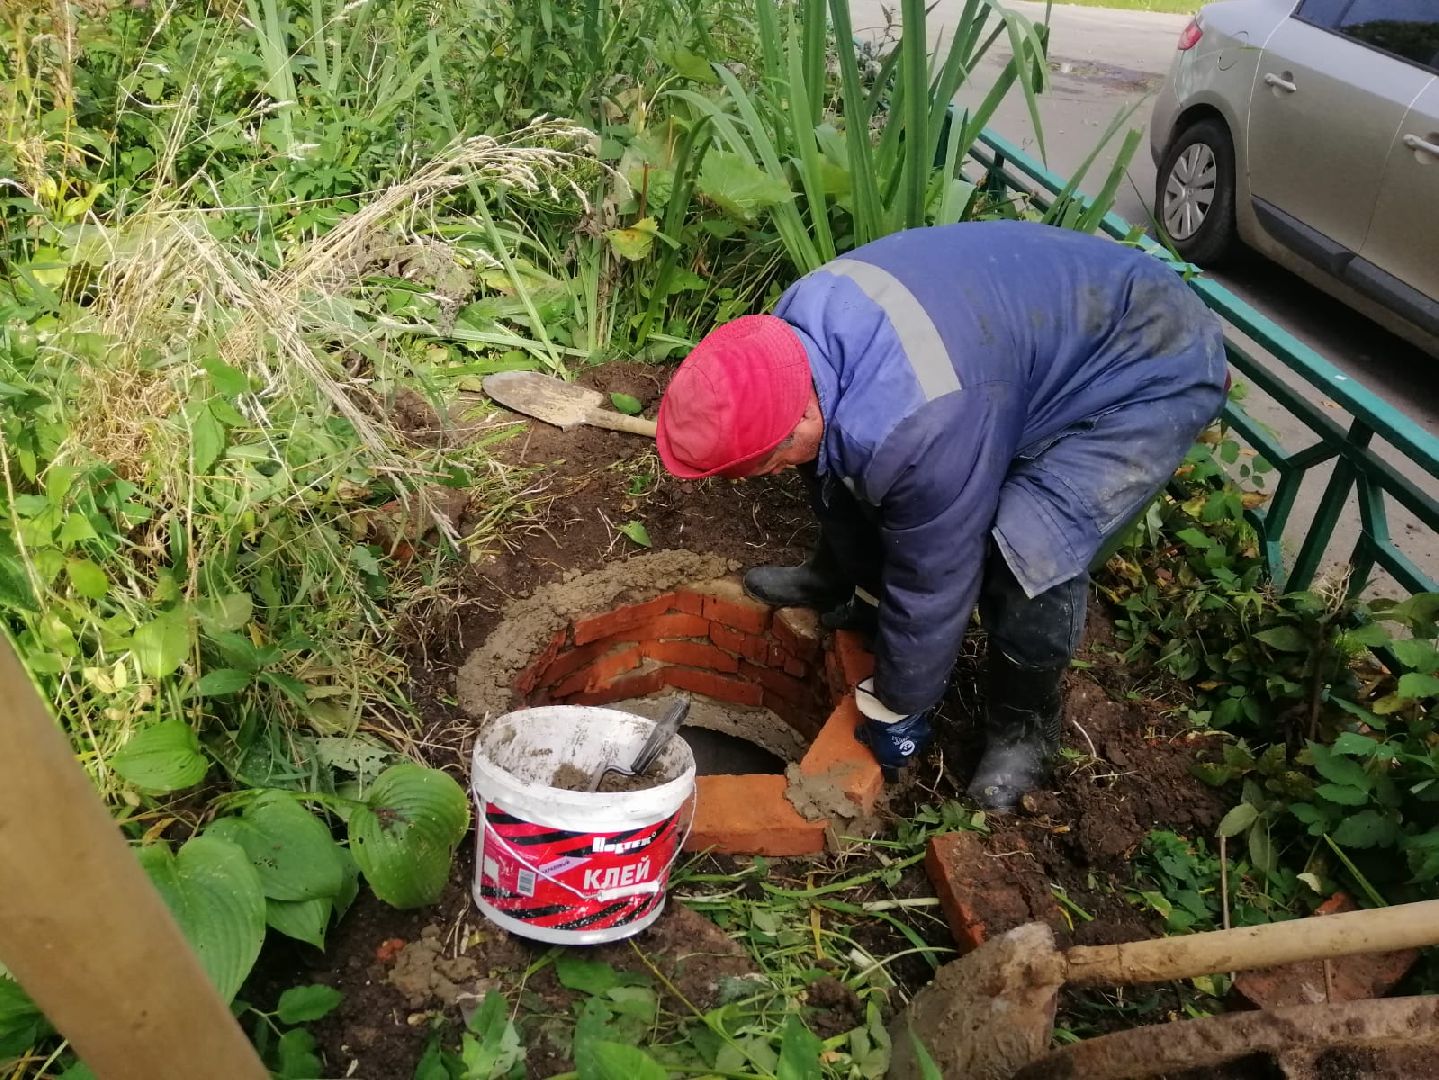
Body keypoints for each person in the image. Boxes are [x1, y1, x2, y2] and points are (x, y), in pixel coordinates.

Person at [654, 221, 1228, 810]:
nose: (768, 475)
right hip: (1022, 341)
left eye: (763, 465)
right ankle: (835, 579)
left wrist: (899, 701)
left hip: (1145, 361)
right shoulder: (787, 342)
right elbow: (833, 460)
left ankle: (1023, 730)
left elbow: (934, 578)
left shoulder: (921, 425)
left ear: (799, 417)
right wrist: (858, 575)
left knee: (1029, 545)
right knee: (850, 462)